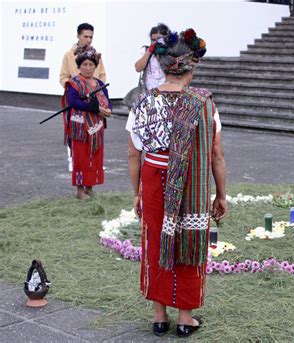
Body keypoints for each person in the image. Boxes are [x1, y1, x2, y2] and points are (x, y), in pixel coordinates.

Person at [126, 28, 227, 338]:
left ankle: (159, 316)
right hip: (192, 186)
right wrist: (221, 195)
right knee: (189, 243)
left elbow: (133, 154)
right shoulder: (204, 104)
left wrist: (138, 193)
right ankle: (185, 318)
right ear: (191, 66)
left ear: (164, 63)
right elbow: (216, 156)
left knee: (156, 241)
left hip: (155, 179)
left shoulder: (143, 103)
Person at [63, 46, 112, 200]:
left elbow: (107, 101)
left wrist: (108, 109)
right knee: (81, 156)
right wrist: (95, 107)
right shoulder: (74, 83)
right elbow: (73, 102)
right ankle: (79, 190)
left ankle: (89, 188)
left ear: (95, 66)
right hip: (80, 125)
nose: (88, 68)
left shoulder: (98, 83)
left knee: (94, 154)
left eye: (91, 65)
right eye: (85, 64)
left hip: (96, 125)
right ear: (79, 66)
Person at [60, 23, 106, 172]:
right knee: (75, 131)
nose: (89, 39)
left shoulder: (96, 54)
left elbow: (102, 75)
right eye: (85, 36)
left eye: (91, 36)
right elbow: (63, 77)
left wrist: (97, 90)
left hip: (94, 99)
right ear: (78, 36)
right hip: (76, 99)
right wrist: (74, 87)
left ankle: (93, 163)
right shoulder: (69, 54)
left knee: (95, 129)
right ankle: (72, 160)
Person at [134, 23, 170, 90]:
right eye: (153, 40)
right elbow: (138, 68)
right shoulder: (145, 50)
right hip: (149, 92)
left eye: (159, 39)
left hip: (167, 92)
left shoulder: (171, 51)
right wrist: (149, 51)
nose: (156, 42)